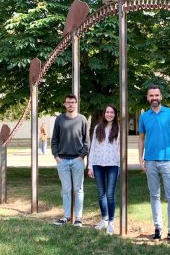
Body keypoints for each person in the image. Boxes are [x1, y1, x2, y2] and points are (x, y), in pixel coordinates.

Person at [138, 85, 170, 250]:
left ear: (161, 97)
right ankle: (158, 228)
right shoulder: (143, 116)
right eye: (151, 95)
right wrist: (140, 157)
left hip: (167, 161)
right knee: (154, 195)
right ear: (148, 98)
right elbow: (141, 138)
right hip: (150, 161)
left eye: (157, 95)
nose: (154, 97)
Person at [51, 94, 90, 227]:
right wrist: (56, 156)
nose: (70, 104)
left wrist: (82, 156)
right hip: (62, 160)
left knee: (78, 189)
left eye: (73, 102)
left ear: (76, 103)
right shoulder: (59, 119)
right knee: (66, 189)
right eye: (68, 102)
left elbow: (86, 141)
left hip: (77, 160)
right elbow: (54, 140)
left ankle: (78, 218)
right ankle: (66, 216)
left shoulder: (82, 119)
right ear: (64, 104)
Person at [88, 104, 120, 235]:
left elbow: (120, 149)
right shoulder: (97, 128)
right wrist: (90, 166)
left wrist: (120, 166)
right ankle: (104, 219)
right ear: (104, 113)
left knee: (110, 193)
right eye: (107, 112)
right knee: (101, 193)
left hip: (113, 165)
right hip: (98, 164)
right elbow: (93, 148)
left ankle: (111, 222)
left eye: (112, 112)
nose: (109, 114)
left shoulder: (118, 129)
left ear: (115, 114)